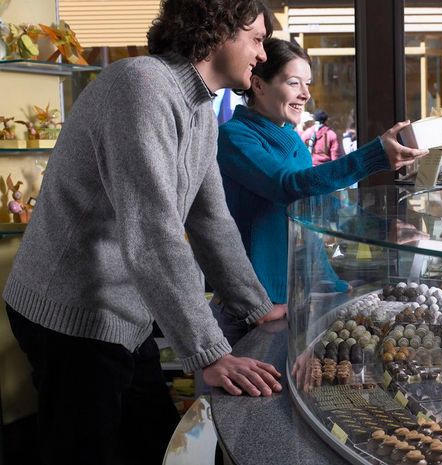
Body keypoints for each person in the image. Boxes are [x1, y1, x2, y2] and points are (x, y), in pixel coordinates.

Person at [1, 1, 286, 464]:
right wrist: (210, 353)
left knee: (156, 443)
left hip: (123, 309)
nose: (262, 55)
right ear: (217, 32)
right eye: (255, 39)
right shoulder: (142, 85)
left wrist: (256, 307)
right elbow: (153, 231)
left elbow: (211, 220)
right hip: (71, 311)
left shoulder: (198, 109)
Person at [215, 38, 427, 339]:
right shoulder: (234, 137)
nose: (305, 94)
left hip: (294, 301)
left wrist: (383, 230)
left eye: (308, 83)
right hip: (256, 309)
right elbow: (289, 187)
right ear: (258, 85)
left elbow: (323, 207)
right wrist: (375, 154)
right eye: (293, 82)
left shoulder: (289, 137)